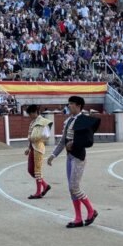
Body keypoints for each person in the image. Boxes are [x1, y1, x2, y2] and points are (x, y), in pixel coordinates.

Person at [47, 95, 100, 229]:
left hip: (78, 157)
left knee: (74, 187)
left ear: (78, 106)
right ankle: (78, 218)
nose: (69, 106)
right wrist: (53, 155)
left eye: (71, 104)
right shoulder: (69, 120)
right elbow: (63, 141)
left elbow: (89, 141)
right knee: (72, 189)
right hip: (69, 157)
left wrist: (74, 143)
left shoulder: (84, 120)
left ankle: (91, 211)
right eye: (69, 103)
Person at [23, 104, 52, 199]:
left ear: (35, 112)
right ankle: (45, 185)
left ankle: (38, 192)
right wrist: (29, 148)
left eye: (30, 114)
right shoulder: (32, 122)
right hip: (32, 148)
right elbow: (31, 137)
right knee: (31, 170)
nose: (29, 116)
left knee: (37, 171)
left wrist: (37, 137)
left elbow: (46, 136)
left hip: (39, 148)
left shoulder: (43, 122)